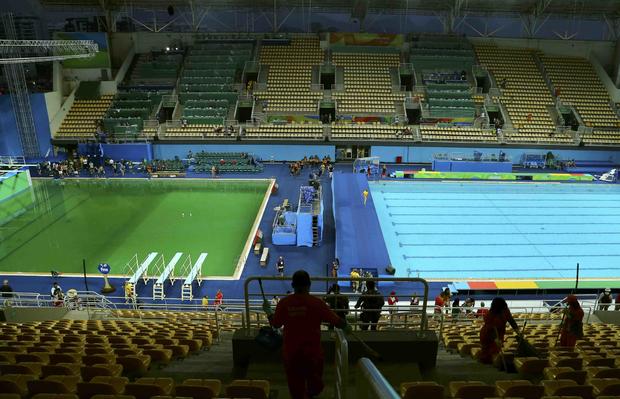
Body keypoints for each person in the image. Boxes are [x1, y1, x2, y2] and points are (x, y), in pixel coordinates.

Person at [263, 270, 349, 399]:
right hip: (313, 355)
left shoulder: (284, 303)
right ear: (309, 285)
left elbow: (275, 324)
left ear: (292, 285)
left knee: (296, 390)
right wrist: (346, 326)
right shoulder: (317, 303)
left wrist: (269, 311)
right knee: (314, 387)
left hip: (291, 354)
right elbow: (336, 321)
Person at [477, 297, 520, 364]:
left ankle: (496, 362)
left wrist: (518, 331)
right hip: (488, 334)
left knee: (496, 351)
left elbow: (511, 320)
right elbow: (490, 329)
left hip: (500, 332)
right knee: (488, 352)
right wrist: (496, 339)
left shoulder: (505, 310)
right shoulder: (489, 315)